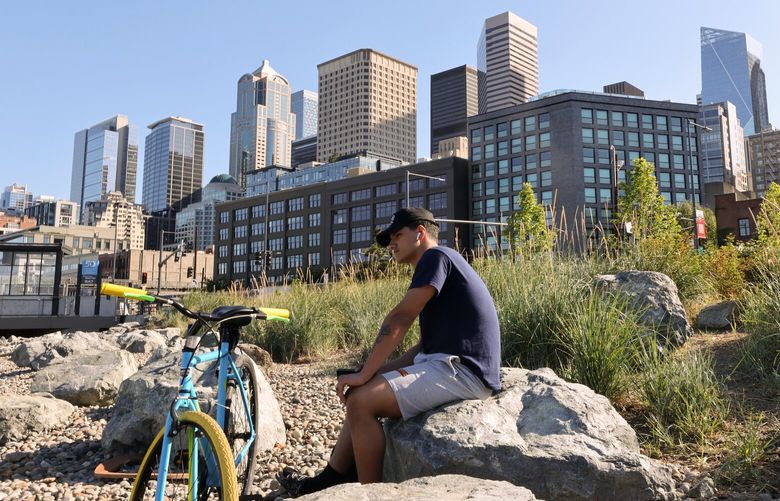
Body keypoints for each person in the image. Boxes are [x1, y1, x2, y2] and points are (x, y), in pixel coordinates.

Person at [278, 208, 502, 496]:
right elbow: (424, 348)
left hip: (464, 372)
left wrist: (365, 375)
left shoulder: (436, 257)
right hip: (448, 365)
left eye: (398, 235)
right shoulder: (440, 266)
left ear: (420, 233)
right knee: (362, 391)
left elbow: (399, 320)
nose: (391, 244)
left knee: (361, 401)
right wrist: (371, 373)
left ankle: (371, 494)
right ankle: (329, 480)